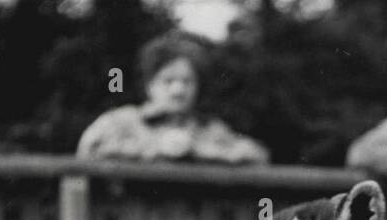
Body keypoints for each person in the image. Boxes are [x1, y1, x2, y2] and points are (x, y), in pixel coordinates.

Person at [77, 31, 268, 164]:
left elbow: (256, 155)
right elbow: (89, 149)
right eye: (168, 81)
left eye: (187, 81)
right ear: (150, 85)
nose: (178, 90)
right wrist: (156, 148)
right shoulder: (121, 121)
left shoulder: (210, 128)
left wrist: (195, 149)